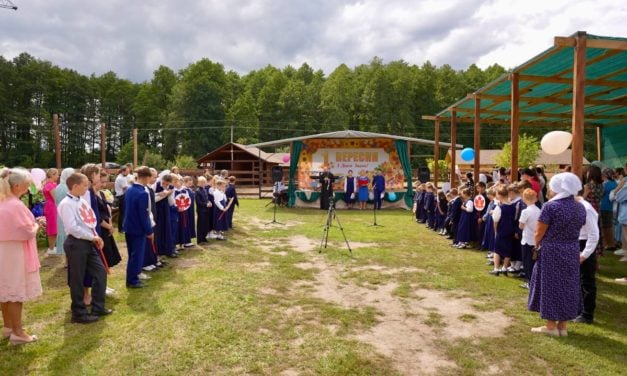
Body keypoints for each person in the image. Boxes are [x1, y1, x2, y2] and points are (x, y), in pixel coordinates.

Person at [528, 172, 586, 337]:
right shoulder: (580, 207)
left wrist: (536, 245)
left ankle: (551, 326)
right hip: (571, 249)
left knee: (550, 285)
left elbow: (539, 232)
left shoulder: (550, 206)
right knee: (568, 286)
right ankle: (563, 326)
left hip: (552, 250)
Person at [58, 173, 111, 323]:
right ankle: (79, 313)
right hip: (76, 243)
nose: (87, 188)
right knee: (77, 278)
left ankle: (98, 307)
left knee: (100, 271)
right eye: (85, 185)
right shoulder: (66, 204)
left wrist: (95, 236)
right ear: (75, 186)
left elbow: (90, 221)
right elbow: (73, 228)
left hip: (88, 241)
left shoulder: (81, 200)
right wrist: (92, 237)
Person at [0, 167, 43, 345]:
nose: (28, 187)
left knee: (5, 289)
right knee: (15, 292)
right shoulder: (15, 205)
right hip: (14, 252)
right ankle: (18, 332)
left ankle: (8, 326)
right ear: (17, 186)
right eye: (26, 184)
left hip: (4, 250)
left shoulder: (3, 202)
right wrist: (38, 225)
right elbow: (26, 232)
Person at [123, 167, 154, 288]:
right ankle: (132, 280)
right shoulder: (142, 193)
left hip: (129, 226)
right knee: (137, 255)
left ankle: (131, 278)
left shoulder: (130, 189)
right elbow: (144, 215)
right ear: (146, 177)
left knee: (132, 254)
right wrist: (149, 230)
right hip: (138, 229)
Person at [573, 193, 600, 324]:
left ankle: (587, 314)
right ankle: (579, 309)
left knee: (587, 281)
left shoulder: (586, 208)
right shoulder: (577, 206)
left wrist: (584, 254)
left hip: (585, 245)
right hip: (579, 242)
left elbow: (594, 235)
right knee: (579, 279)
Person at [490, 186, 515, 276]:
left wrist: (496, 231)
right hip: (510, 229)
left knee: (497, 249)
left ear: (499, 195)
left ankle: (496, 268)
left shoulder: (499, 207)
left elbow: (496, 221)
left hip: (501, 230)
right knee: (508, 249)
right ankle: (504, 268)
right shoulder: (513, 206)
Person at [518, 189, 541, 289]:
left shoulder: (525, 211)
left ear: (525, 199)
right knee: (534, 261)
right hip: (535, 239)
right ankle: (534, 281)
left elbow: (521, 226)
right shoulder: (539, 210)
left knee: (527, 262)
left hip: (527, 238)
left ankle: (529, 282)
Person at [53, 168, 75, 255]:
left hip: (59, 214)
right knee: (69, 235)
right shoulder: (69, 188)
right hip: (68, 213)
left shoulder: (57, 187)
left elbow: (56, 201)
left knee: (62, 233)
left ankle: (66, 258)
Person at [43, 168, 60, 254]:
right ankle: (51, 248)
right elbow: (55, 198)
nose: (58, 176)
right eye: (57, 174)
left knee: (54, 227)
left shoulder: (51, 184)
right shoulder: (50, 185)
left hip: (52, 206)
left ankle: (52, 247)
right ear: (52, 175)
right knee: (52, 227)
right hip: (52, 207)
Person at [600, 168, 618, 251]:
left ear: (605, 175)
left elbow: (600, 194)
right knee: (609, 226)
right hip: (611, 207)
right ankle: (610, 243)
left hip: (604, 207)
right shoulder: (615, 183)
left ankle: (609, 244)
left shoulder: (605, 184)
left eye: (603, 174)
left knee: (605, 227)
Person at [114, 165, 130, 232]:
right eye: (127, 171)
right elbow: (125, 189)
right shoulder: (121, 178)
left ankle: (121, 228)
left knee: (122, 213)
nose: (128, 173)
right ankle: (121, 229)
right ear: (123, 171)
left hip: (121, 196)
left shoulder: (121, 177)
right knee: (123, 213)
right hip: (122, 197)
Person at [195, 176, 211, 245]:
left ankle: (204, 237)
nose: (203, 183)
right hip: (201, 210)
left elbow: (207, 198)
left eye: (204, 182)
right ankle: (199, 239)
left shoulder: (205, 190)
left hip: (206, 210)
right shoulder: (197, 191)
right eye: (202, 182)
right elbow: (198, 202)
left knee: (205, 224)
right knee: (201, 225)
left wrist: (209, 202)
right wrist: (205, 204)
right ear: (199, 183)